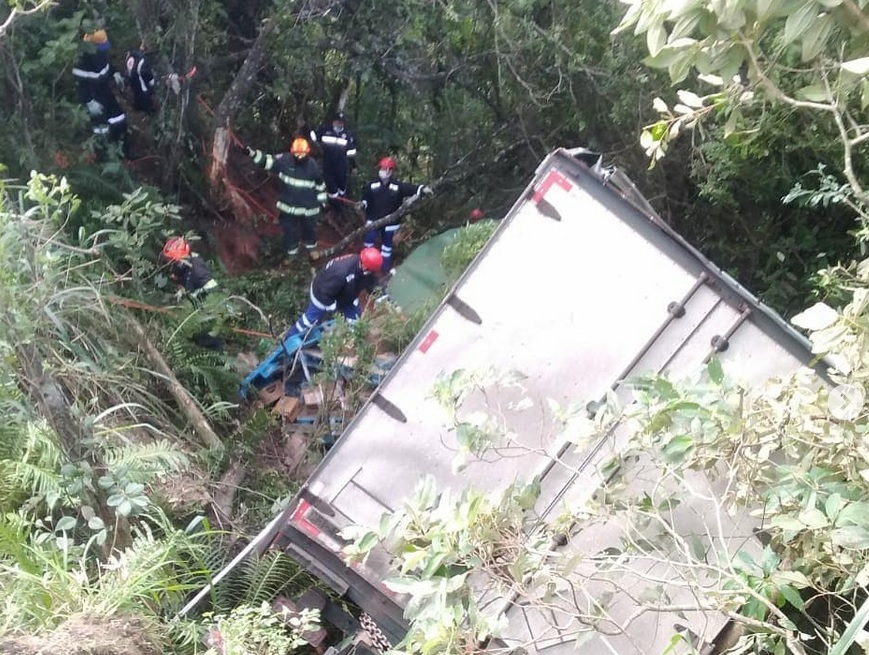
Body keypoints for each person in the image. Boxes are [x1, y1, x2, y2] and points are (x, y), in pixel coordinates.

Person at [248, 137, 327, 257]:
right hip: (288, 207)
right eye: (297, 155)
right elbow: (268, 161)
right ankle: (292, 256)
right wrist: (252, 154)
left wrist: (323, 202)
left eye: (302, 155)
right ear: (292, 151)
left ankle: (311, 251)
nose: (300, 157)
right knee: (290, 231)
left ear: (308, 152)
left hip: (309, 209)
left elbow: (320, 186)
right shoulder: (284, 161)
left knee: (309, 230)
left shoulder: (313, 166)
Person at [284, 247, 384, 339]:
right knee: (309, 321)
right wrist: (332, 307)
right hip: (322, 294)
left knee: (355, 320)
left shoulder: (365, 266)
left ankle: (352, 341)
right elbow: (325, 292)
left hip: (347, 294)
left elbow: (370, 280)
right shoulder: (340, 272)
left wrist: (378, 294)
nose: (371, 272)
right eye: (370, 270)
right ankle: (289, 339)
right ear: (364, 265)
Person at [360, 156, 433, 272]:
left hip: (390, 223)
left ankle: (384, 268)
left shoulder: (398, 186)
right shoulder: (372, 185)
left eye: (384, 169)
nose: (382, 171)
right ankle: (364, 265)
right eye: (381, 169)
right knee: (368, 242)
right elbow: (365, 198)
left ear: (390, 171)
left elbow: (411, 189)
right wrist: (362, 204)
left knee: (386, 247)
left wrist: (422, 189)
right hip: (373, 219)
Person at [73, 28, 129, 152]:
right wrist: (89, 101)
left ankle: (124, 149)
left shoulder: (101, 54)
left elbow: (108, 66)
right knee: (101, 128)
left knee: (119, 118)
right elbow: (81, 85)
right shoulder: (82, 62)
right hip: (93, 97)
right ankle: (105, 154)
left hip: (105, 90)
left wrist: (115, 74)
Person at [161, 236, 223, 349]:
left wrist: (189, 296)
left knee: (206, 336)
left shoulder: (197, 270)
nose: (170, 263)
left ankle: (216, 356)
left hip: (207, 307)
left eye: (172, 260)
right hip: (196, 301)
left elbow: (213, 293)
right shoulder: (183, 265)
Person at [310, 111, 357, 199]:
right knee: (331, 187)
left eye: (341, 122)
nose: (339, 124)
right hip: (328, 163)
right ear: (333, 121)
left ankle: (341, 203)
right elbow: (313, 137)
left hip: (341, 165)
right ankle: (333, 204)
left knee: (341, 187)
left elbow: (351, 152)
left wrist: (353, 166)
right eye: (338, 121)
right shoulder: (325, 130)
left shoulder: (347, 135)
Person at [124, 47, 156, 113]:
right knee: (144, 92)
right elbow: (148, 75)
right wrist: (152, 82)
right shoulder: (143, 61)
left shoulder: (131, 57)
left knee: (137, 92)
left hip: (134, 79)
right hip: (140, 82)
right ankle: (149, 110)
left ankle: (138, 106)